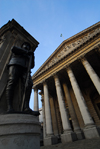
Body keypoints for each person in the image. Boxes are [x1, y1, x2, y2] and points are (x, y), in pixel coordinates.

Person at [6, 42, 39, 116]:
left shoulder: (29, 55)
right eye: (26, 45)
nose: (27, 47)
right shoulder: (19, 49)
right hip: (15, 64)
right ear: (22, 46)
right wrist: (26, 52)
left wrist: (32, 56)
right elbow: (13, 49)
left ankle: (26, 107)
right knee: (12, 82)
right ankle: (10, 106)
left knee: (29, 84)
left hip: (25, 69)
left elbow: (32, 65)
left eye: (28, 46)